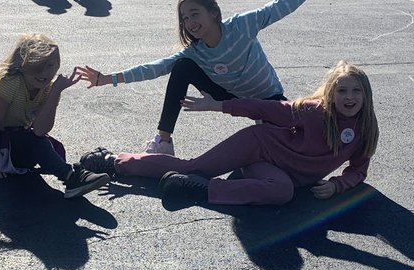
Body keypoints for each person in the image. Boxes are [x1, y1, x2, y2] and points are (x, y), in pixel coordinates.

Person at [75, 0, 353, 155]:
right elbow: (155, 67)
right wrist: (107, 78)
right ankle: (163, 141)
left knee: (294, 137)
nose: (190, 23)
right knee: (181, 67)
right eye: (184, 18)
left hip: (268, 98)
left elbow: (283, 4)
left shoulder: (243, 26)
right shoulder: (195, 52)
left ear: (213, 13)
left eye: (194, 14)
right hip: (230, 96)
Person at [80, 60, 378, 210]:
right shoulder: (315, 111)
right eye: (342, 90)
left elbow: (358, 170)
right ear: (331, 93)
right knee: (190, 167)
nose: (349, 97)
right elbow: (264, 108)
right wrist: (218, 105)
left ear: (365, 96)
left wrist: (338, 186)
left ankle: (201, 190)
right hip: (258, 145)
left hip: (275, 172)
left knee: (282, 191)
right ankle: (114, 161)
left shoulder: (364, 129)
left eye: (355, 91)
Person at [0, 34, 111, 199]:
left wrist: (56, 92)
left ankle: (72, 176)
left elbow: (40, 129)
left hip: (15, 139)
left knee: (38, 141)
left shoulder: (47, 87)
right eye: (38, 67)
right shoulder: (8, 83)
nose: (45, 73)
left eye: (51, 66)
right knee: (35, 142)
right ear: (23, 65)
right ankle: (71, 177)